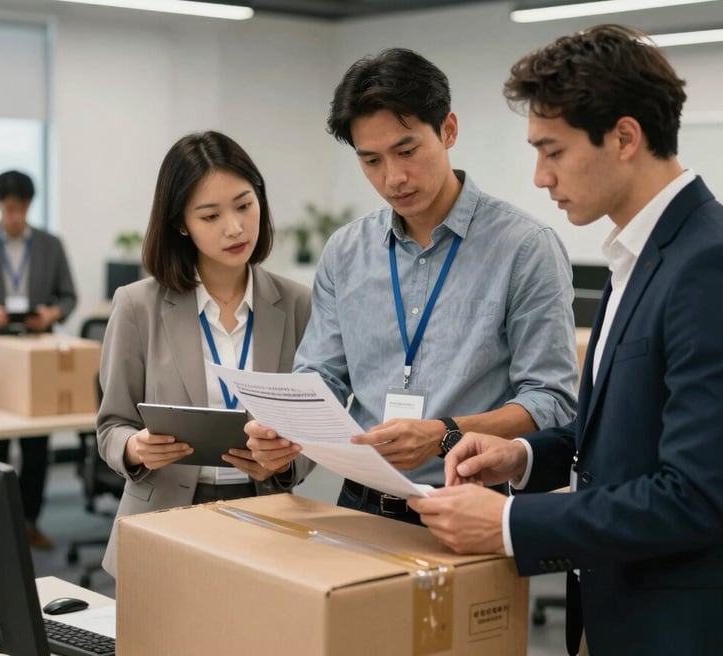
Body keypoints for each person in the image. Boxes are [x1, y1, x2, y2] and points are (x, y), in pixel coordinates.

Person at [408, 24, 723, 656]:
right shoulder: (637, 254)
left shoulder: (705, 264)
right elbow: (619, 437)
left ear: (625, 137)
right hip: (617, 613)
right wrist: (521, 456)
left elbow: (695, 495)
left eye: (553, 150)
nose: (539, 177)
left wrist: (507, 522)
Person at [246, 48, 579, 523]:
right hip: (359, 503)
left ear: (448, 130)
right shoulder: (346, 250)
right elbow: (320, 373)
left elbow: (549, 400)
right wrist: (284, 428)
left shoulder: (524, 247)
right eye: (371, 161)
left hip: (467, 502)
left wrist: (443, 433)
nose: (393, 178)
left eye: (406, 151)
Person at [96, 131, 312, 576]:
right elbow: (111, 427)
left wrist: (289, 459)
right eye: (210, 215)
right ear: (181, 224)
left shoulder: (297, 304)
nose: (234, 227)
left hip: (267, 515)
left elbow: (312, 428)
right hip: (165, 516)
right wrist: (136, 448)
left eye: (244, 205)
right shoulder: (138, 306)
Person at [0, 169, 77, 548]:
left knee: (36, 447)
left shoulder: (49, 245)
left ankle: (29, 521)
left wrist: (51, 315)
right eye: (10, 208)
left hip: (37, 354)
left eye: (22, 208)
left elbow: (68, 296)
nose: (16, 216)